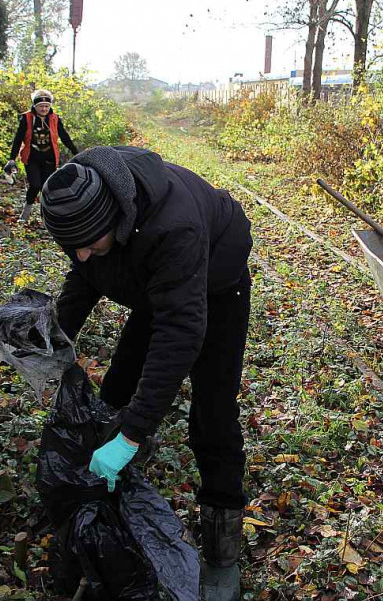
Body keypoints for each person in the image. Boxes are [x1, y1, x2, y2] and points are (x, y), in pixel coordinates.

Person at [41, 145, 253, 601]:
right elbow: (84, 279)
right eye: (70, 247)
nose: (80, 255)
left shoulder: (174, 227)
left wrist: (133, 432)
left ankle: (222, 549)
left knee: (212, 415)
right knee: (117, 387)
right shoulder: (84, 205)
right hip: (155, 281)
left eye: (89, 243)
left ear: (115, 220)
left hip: (217, 280)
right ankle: (112, 494)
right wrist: (53, 342)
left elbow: (179, 333)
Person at [3, 89, 78, 223]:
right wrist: (11, 159)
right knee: (35, 185)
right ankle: (25, 215)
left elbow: (64, 136)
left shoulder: (55, 118)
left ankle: (46, 218)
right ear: (35, 106)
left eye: (47, 106)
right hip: (32, 158)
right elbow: (18, 139)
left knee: (47, 188)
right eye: (41, 106)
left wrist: (76, 152)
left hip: (49, 159)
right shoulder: (26, 118)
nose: (44, 109)